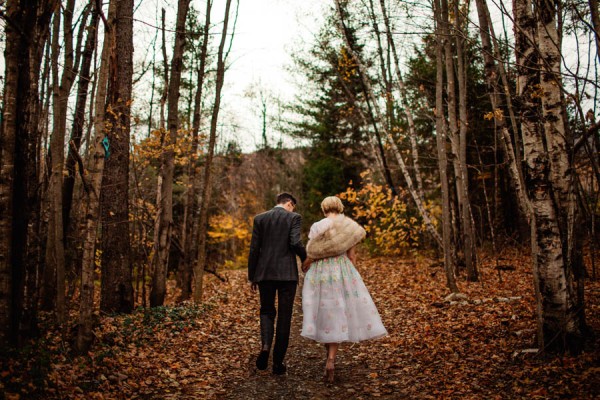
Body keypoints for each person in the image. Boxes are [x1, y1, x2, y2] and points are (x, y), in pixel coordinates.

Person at [301, 196, 387, 383]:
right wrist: (352, 277)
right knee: (338, 312)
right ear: (339, 208)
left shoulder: (317, 225)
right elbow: (352, 255)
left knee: (325, 311)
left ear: (324, 209)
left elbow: (313, 252)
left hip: (321, 272)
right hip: (341, 270)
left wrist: (306, 264)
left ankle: (328, 355)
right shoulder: (349, 227)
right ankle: (331, 359)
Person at [248, 192, 307, 375]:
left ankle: (266, 346)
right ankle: (278, 363)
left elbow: (254, 248)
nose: (293, 209)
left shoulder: (260, 219)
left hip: (264, 274)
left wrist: (252, 276)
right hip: (287, 275)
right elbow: (295, 242)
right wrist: (306, 258)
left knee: (266, 311)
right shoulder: (294, 218)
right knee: (284, 317)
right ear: (289, 203)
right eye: (292, 206)